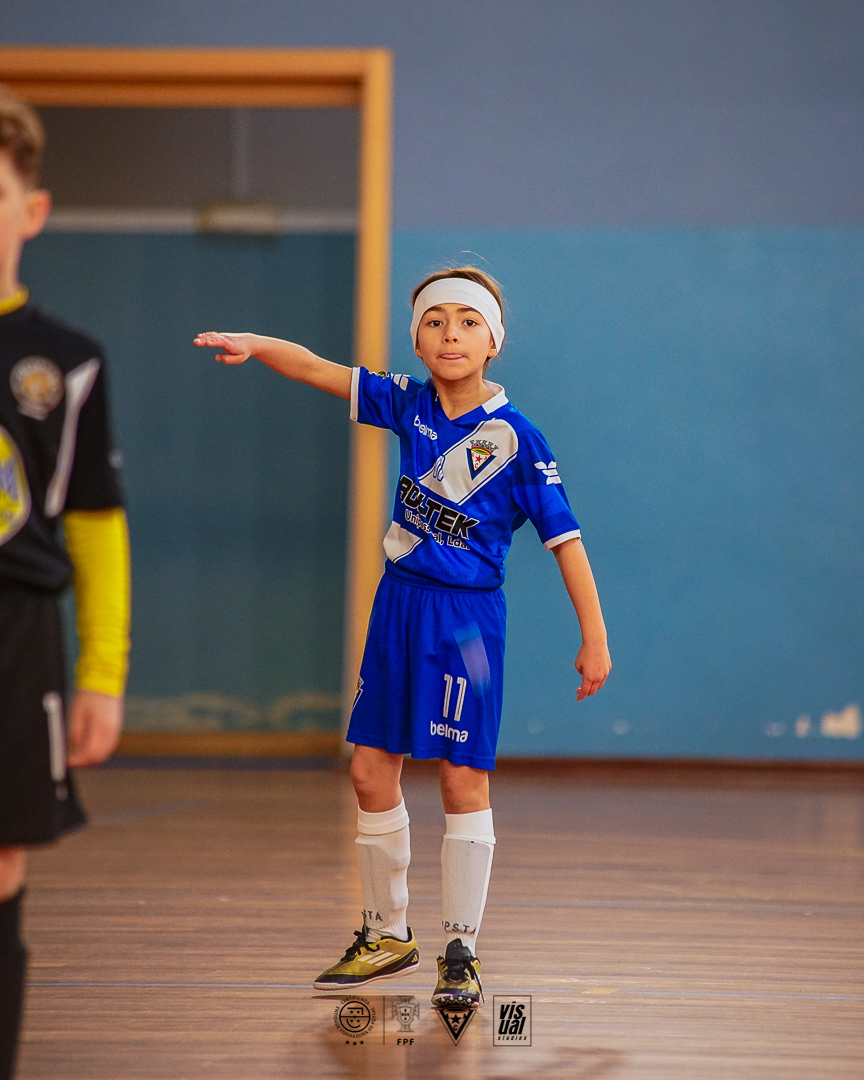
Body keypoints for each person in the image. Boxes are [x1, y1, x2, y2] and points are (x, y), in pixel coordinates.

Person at [194, 265, 610, 1010]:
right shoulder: (408, 404)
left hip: (466, 624)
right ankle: (388, 933)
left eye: (469, 322)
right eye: (435, 321)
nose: (452, 335)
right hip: (397, 608)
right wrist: (256, 342)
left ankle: (461, 950)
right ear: (417, 340)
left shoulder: (518, 439)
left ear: (494, 341)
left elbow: (566, 541)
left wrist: (595, 638)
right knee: (368, 770)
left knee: (460, 779)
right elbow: (318, 369)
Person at [0, 94, 131, 1079]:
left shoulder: (70, 361)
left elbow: (94, 524)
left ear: (31, 210)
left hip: (17, 638)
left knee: (0, 862)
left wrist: (102, 672)